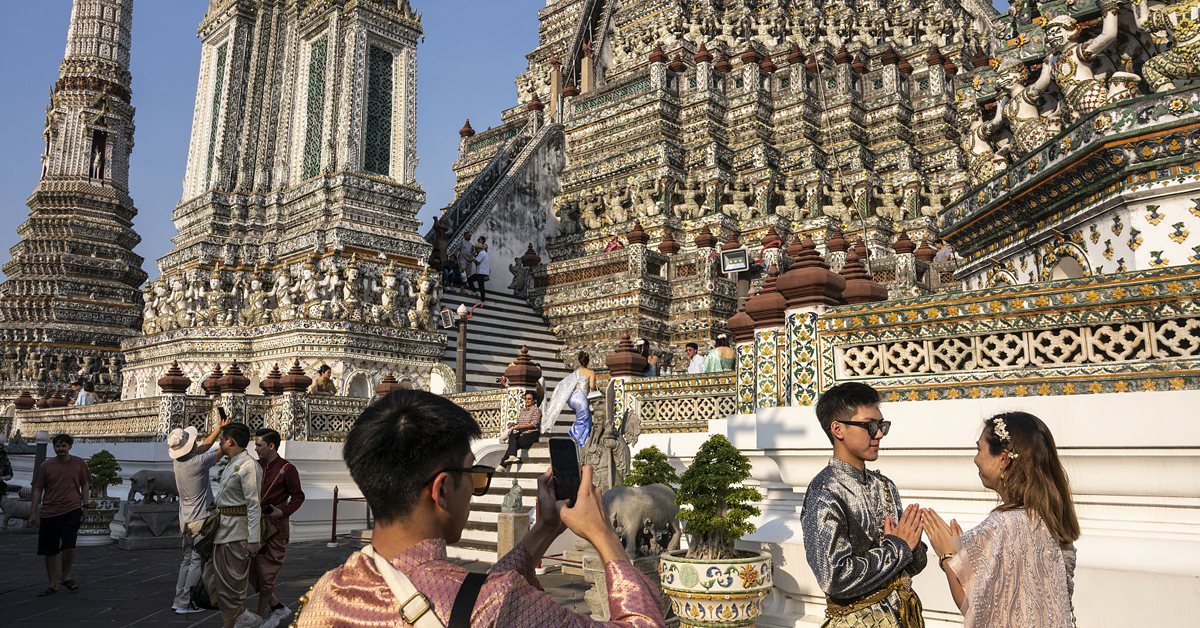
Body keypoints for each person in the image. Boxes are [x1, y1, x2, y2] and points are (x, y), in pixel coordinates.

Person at [293, 390, 663, 627]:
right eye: (473, 473)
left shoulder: (327, 592)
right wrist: (603, 535)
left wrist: (545, 528)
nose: (475, 486)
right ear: (441, 491)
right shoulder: (497, 607)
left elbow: (477, 592)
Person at [921, 412, 1079, 628]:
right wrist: (964, 558)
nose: (976, 459)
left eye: (979, 449)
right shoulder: (1050, 519)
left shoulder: (1002, 525)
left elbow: (976, 609)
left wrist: (947, 557)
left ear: (1003, 459)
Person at [801, 383, 927, 627]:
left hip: (902, 616)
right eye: (870, 426)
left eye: (882, 426)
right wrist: (898, 548)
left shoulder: (885, 485)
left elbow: (913, 564)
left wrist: (914, 546)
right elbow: (834, 578)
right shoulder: (824, 491)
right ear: (838, 429)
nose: (878, 434)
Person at [201, 422, 263, 628]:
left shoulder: (248, 466)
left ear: (230, 441)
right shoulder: (232, 463)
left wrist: (254, 539)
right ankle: (245, 617)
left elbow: (254, 505)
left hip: (236, 533)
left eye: (221, 439)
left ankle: (231, 625)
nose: (219, 443)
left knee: (231, 585)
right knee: (212, 579)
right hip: (220, 529)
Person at [168, 414, 231, 614]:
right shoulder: (198, 462)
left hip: (185, 520)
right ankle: (187, 601)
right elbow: (221, 451)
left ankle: (179, 600)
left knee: (187, 559)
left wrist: (218, 429)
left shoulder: (179, 461)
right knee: (196, 560)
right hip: (200, 519)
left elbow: (201, 448)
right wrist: (229, 440)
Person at [251, 428, 306, 628]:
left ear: (271, 446)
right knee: (252, 571)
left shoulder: (286, 469)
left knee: (267, 574)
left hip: (276, 527)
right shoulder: (256, 466)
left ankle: (258, 618)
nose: (255, 449)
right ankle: (277, 607)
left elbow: (298, 496)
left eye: (259, 445)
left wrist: (282, 513)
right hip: (255, 525)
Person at [29, 433, 91, 597]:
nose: (60, 449)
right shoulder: (46, 466)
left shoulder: (79, 463)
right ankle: (52, 583)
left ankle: (65, 576)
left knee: (69, 545)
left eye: (64, 446)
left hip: (71, 509)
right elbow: (37, 489)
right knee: (50, 549)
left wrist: (85, 506)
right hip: (50, 511)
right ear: (54, 447)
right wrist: (33, 512)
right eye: (57, 446)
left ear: (70, 447)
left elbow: (85, 485)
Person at [543, 352, 598, 447]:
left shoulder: (575, 373)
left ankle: (583, 439)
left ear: (578, 361)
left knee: (587, 416)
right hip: (581, 398)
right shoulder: (591, 373)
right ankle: (576, 437)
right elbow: (592, 386)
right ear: (588, 361)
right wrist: (597, 390)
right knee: (584, 418)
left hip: (573, 398)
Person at [500, 391, 541, 470]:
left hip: (531, 434)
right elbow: (519, 422)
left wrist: (520, 427)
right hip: (522, 433)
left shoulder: (536, 410)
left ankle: (502, 464)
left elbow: (534, 424)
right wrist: (514, 425)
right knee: (513, 435)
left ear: (534, 400)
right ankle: (511, 456)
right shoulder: (523, 410)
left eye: (529, 399)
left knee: (513, 444)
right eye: (525, 399)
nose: (527, 401)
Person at [468, 236, 490, 303]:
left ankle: (482, 299)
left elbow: (477, 262)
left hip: (481, 272)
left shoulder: (481, 253)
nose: (476, 250)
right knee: (479, 285)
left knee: (477, 284)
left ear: (478, 248)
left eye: (476, 249)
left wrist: (472, 259)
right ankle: (479, 296)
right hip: (482, 272)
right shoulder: (484, 253)